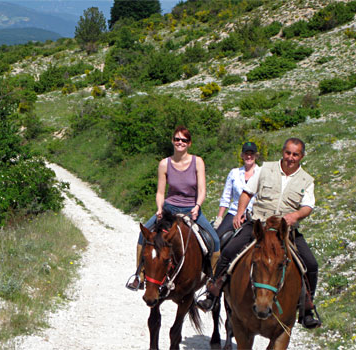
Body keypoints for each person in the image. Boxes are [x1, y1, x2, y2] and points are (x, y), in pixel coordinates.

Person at [197, 138, 321, 329]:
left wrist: (295, 215)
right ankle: (213, 292)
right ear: (283, 152)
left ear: (301, 156)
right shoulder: (265, 169)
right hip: (259, 223)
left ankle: (306, 308)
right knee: (230, 251)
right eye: (288, 153)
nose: (290, 158)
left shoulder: (307, 180)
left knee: (310, 264)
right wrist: (239, 213)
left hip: (285, 230)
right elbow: (247, 193)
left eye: (295, 154)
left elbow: (308, 206)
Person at [126, 125, 221, 291]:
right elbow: (161, 192)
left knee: (215, 241)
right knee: (144, 235)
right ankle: (139, 276)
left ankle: (210, 280)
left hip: (191, 209)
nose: (180, 142)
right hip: (169, 208)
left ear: (189, 143)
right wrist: (159, 208)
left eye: (183, 140)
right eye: (177, 139)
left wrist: (198, 206)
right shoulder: (165, 164)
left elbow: (202, 190)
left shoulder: (197, 162)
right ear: (172, 141)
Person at [213, 142, 260, 237]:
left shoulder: (261, 173)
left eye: (251, 154)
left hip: (254, 215)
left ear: (256, 156)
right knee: (217, 239)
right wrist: (219, 217)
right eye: (246, 154)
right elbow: (226, 197)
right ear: (242, 155)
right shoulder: (234, 173)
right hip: (234, 212)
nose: (249, 156)